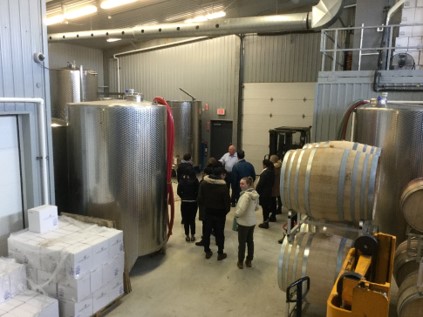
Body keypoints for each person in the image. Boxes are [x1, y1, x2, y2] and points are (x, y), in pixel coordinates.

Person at [197, 166, 231, 260]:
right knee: (220, 233)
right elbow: (227, 203)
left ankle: (207, 251)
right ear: (221, 175)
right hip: (220, 214)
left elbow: (200, 198)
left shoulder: (204, 183)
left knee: (206, 233)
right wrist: (224, 212)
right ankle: (220, 253)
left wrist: (205, 207)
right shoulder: (223, 186)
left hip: (207, 212)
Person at [195, 157, 222, 247]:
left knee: (206, 225)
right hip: (217, 208)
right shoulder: (220, 182)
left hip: (205, 208)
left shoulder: (203, 183)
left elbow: (200, 197)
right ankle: (218, 241)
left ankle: (205, 241)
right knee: (216, 224)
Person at [234, 176, 259, 269]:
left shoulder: (245, 196)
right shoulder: (255, 193)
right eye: (240, 183)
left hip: (244, 223)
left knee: (242, 243)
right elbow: (257, 207)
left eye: (243, 183)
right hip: (252, 221)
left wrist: (236, 214)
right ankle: (249, 260)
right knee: (250, 242)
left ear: (248, 184)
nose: (240, 185)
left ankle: (240, 261)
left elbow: (241, 210)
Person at [177, 168, 199, 242]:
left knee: (186, 220)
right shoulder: (196, 181)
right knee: (192, 220)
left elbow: (178, 191)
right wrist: (195, 197)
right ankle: (193, 235)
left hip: (185, 202)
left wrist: (183, 197)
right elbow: (198, 191)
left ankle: (187, 236)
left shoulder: (182, 181)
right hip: (193, 202)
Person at [256, 159, 275, 229]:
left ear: (264, 165)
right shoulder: (272, 172)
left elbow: (260, 184)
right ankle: (266, 221)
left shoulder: (265, 173)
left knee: (265, 209)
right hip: (269, 192)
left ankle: (265, 222)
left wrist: (256, 191)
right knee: (266, 208)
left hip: (264, 193)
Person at [269, 154, 282, 218]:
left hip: (274, 184)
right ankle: (279, 208)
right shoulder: (280, 165)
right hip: (279, 184)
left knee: (273, 198)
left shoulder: (274, 168)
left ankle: (274, 212)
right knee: (279, 197)